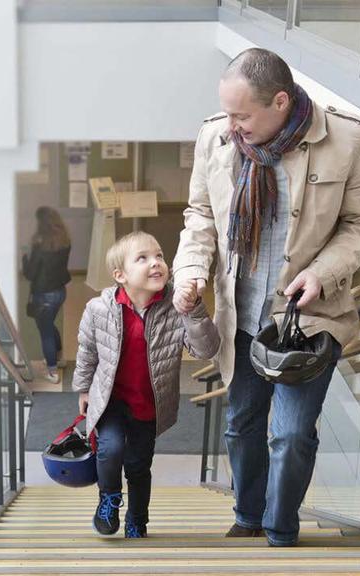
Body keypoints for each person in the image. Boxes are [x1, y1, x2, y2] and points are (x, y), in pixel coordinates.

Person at [172, 48, 360, 546]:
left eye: (242, 115)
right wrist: (190, 271)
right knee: (242, 423)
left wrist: (322, 272)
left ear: (281, 102)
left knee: (290, 434)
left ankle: (280, 529)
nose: (231, 125)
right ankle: (247, 515)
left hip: (308, 320)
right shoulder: (216, 137)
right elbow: (200, 213)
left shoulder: (351, 140)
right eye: (227, 112)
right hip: (241, 317)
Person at [73, 231, 220, 538]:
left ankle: (137, 520)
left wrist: (193, 310)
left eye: (159, 256)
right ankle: (109, 498)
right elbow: (87, 351)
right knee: (110, 450)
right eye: (143, 258)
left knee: (138, 466)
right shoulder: (98, 309)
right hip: (111, 400)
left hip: (149, 403)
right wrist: (84, 389)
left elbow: (206, 350)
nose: (156, 263)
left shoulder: (174, 306)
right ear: (120, 275)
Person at [22, 206, 72, 383]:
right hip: (60, 292)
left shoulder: (40, 245)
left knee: (45, 332)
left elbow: (30, 273)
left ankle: (52, 371)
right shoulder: (65, 240)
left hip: (43, 295)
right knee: (49, 325)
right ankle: (57, 357)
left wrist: (25, 258)